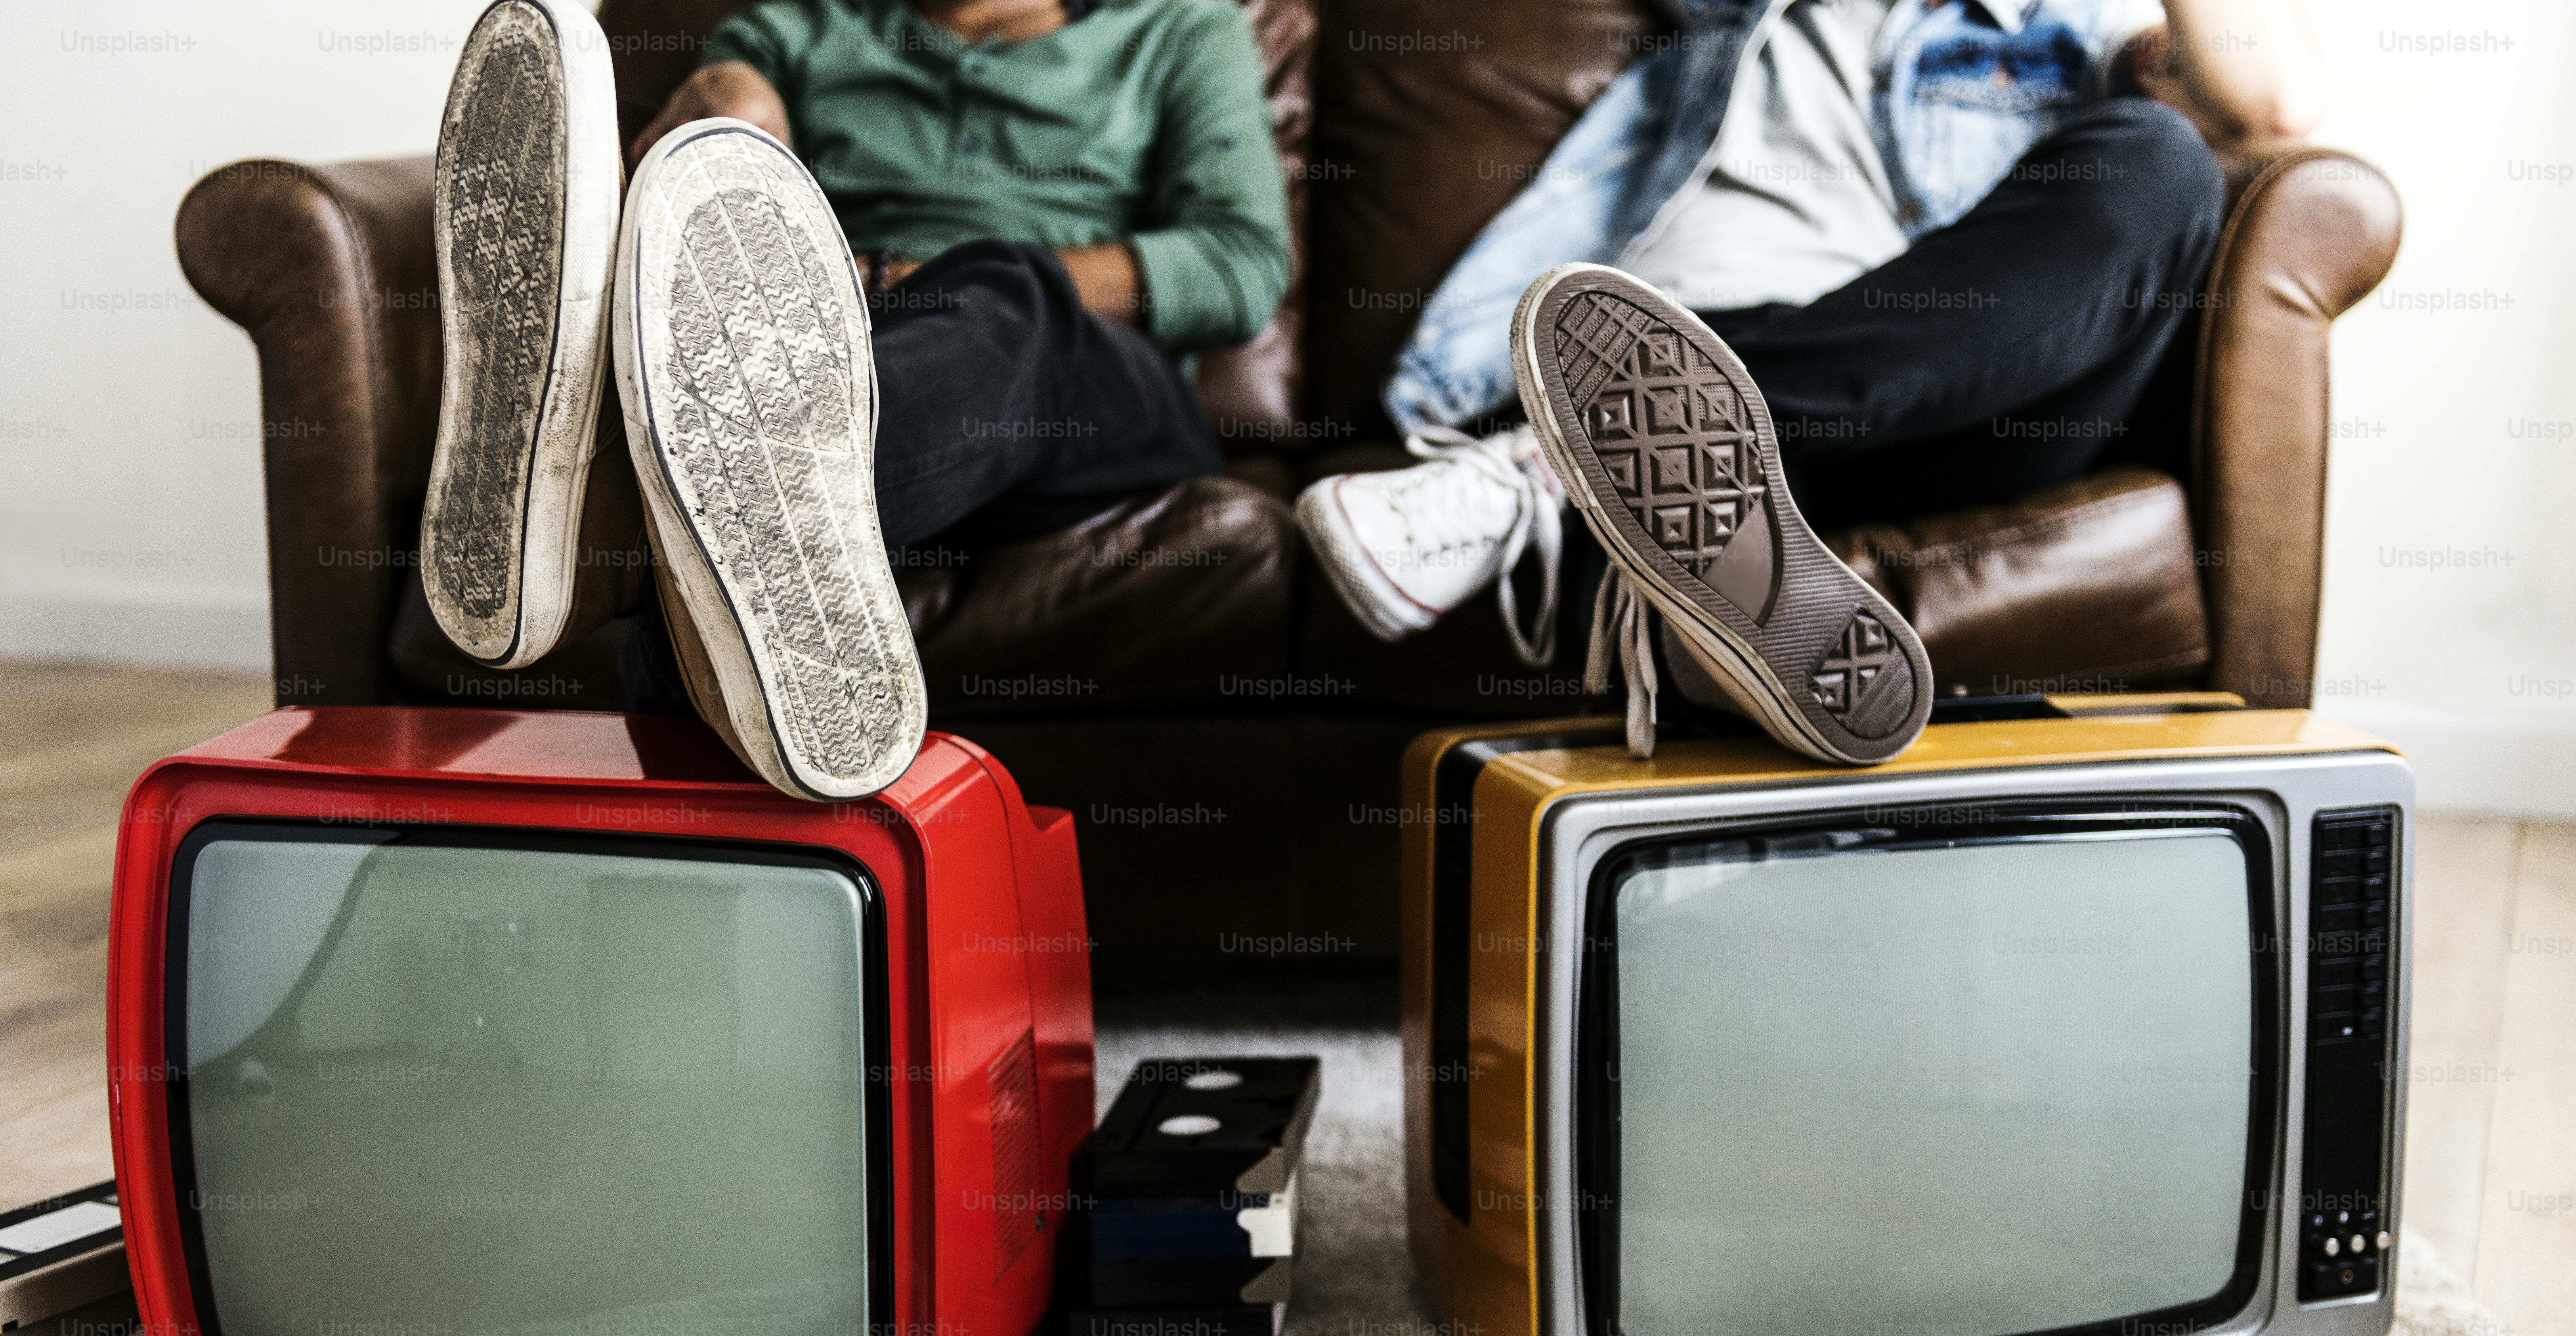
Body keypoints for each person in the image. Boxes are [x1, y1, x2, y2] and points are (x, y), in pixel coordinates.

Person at [1296, 0, 2325, 761]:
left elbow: (2271, 106)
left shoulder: (2070, 35)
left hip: (1928, 413)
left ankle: (1561, 470)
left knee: (2162, 159)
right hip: (1661, 343)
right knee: (1648, 374)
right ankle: (1713, 586)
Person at [419, 0, 1289, 799]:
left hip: (1089, 388)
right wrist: (721, 128)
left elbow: (1240, 260)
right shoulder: (796, 26)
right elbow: (713, 190)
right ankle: (695, 517)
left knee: (1011, 291)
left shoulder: (1179, 26)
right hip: (846, 369)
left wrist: (906, 281)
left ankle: (616, 512)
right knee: (725, 465)